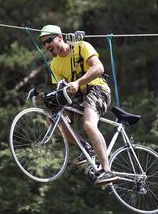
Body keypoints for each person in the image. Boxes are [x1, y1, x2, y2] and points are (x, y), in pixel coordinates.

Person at [39, 24, 117, 186]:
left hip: (98, 89)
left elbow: (99, 68)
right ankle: (86, 148)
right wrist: (47, 98)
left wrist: (78, 82)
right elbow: (63, 92)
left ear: (59, 37)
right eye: (43, 43)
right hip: (79, 97)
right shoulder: (55, 65)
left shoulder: (81, 47)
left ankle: (106, 170)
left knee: (89, 124)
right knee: (54, 121)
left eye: (48, 40)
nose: (46, 45)